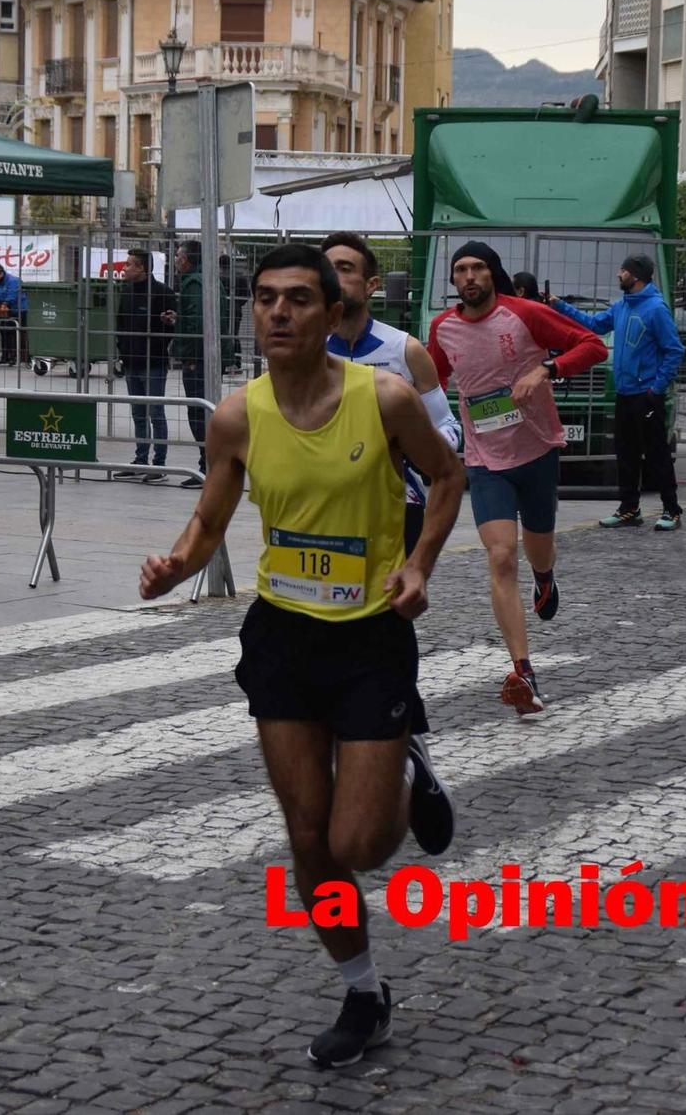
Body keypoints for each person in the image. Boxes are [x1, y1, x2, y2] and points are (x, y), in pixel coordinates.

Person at [138, 243, 465, 1069]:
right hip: (282, 635)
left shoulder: (384, 399)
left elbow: (450, 476)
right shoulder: (237, 416)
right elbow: (210, 518)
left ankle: (402, 769)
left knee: (357, 844)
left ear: (331, 315)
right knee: (309, 838)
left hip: (368, 635)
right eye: (265, 299)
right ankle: (363, 992)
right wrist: (176, 561)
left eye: (297, 300)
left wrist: (418, 564)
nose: (278, 312)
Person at [426, 241, 607, 715]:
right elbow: (428, 384)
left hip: (537, 449)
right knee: (502, 557)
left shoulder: (524, 314)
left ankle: (545, 577)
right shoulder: (442, 329)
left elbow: (593, 346)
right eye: (461, 269)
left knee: (538, 545)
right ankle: (523, 671)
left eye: (478, 268)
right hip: (485, 461)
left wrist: (548, 369)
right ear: (453, 280)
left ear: (493, 274)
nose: (469, 276)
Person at [321, 231, 463, 551]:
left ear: (371, 285)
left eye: (345, 269)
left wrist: (413, 448)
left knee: (395, 601)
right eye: (326, 270)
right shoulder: (305, 350)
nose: (333, 278)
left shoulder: (405, 349)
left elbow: (449, 428)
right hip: (325, 504)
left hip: (398, 504)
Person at [551, 254, 686, 532]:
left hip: (646, 395)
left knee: (657, 453)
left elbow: (674, 351)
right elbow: (596, 324)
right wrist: (560, 306)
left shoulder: (656, 309)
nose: (618, 274)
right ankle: (629, 508)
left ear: (636, 276)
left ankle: (672, 510)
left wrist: (656, 388)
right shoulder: (623, 305)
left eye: (623, 270)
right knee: (626, 453)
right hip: (624, 393)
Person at [112, 247, 177, 482]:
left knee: (155, 413)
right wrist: (122, 352)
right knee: (138, 414)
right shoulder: (127, 292)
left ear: (141, 268)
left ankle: (158, 464)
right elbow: (121, 325)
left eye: (129, 264)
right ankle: (140, 460)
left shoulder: (162, 293)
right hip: (132, 363)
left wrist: (163, 331)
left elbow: (172, 326)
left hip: (154, 364)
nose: (125, 268)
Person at [170, 240, 209, 488]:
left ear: (185, 260)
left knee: (198, 413)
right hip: (200, 356)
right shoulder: (200, 280)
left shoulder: (194, 283)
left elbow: (197, 323)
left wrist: (192, 358)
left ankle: (207, 468)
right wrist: (178, 319)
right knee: (201, 412)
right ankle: (208, 466)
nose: (175, 260)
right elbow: (193, 318)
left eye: (176, 256)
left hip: (197, 360)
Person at [0, 263, 29, 366]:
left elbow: (13, 294)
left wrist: (4, 303)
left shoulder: (13, 281)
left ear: (1, 273)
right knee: (3, 330)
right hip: (6, 310)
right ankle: (5, 356)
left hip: (19, 309)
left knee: (15, 332)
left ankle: (16, 357)